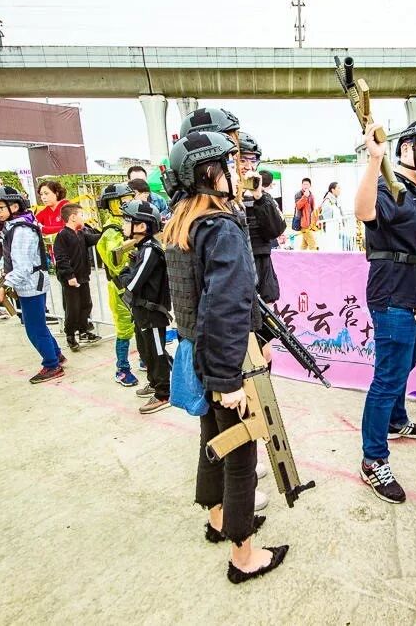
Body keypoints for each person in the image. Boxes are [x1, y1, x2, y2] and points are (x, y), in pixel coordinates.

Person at [162, 131, 288, 583]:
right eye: (229, 164)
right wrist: (228, 379)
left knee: (212, 440)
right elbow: (227, 306)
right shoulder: (219, 227)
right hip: (223, 358)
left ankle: (217, 520)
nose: (238, 172)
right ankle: (243, 555)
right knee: (239, 453)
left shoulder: (182, 220)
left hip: (195, 350)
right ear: (209, 172)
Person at [353, 118, 416, 504]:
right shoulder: (388, 187)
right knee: (388, 378)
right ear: (405, 148)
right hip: (392, 294)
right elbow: (363, 211)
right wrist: (374, 160)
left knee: (405, 365)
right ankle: (373, 460)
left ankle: (396, 420)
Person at [0, 186, 66, 384]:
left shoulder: (21, 230)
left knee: (34, 328)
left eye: (0, 207)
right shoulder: (17, 225)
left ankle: (52, 365)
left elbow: (22, 267)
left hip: (31, 283)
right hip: (29, 282)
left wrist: (4, 286)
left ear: (14, 206)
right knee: (38, 324)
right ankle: (56, 355)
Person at [117, 200, 172, 415]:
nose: (123, 225)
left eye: (127, 221)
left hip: (152, 313)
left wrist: (123, 273)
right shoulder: (141, 249)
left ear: (141, 226)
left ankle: (163, 392)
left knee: (157, 353)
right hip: (142, 311)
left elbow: (131, 283)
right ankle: (155, 383)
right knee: (145, 351)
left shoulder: (150, 250)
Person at [96, 182, 141, 387]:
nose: (127, 204)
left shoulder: (129, 224)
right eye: (122, 201)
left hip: (134, 285)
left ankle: (145, 358)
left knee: (140, 324)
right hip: (120, 287)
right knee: (124, 329)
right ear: (111, 204)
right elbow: (116, 263)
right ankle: (122, 368)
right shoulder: (111, 232)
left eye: (129, 200)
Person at [237, 132, 286, 309]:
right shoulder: (221, 197)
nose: (248, 166)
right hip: (236, 271)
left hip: (261, 267)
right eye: (242, 160)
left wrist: (258, 196)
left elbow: (276, 229)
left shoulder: (262, 197)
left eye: (253, 160)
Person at [53, 203, 103, 353]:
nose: (84, 218)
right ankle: (70, 335)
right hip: (71, 279)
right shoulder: (62, 235)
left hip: (83, 277)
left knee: (86, 304)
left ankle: (83, 330)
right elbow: (61, 257)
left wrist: (107, 231)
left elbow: (94, 239)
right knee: (72, 308)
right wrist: (69, 275)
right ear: (73, 217)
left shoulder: (81, 234)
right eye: (82, 215)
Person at [318, 182, 347, 251]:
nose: (340, 190)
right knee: (331, 246)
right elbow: (326, 217)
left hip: (336, 229)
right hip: (331, 230)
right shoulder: (328, 200)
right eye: (338, 188)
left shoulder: (336, 200)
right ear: (333, 190)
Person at [293, 179, 318, 250]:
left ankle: (300, 256)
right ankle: (315, 256)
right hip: (303, 222)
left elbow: (313, 208)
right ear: (301, 185)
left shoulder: (311, 195)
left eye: (307, 184)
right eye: (304, 184)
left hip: (310, 222)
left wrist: (314, 220)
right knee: (313, 243)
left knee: (304, 244)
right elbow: (298, 206)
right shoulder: (298, 194)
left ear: (310, 186)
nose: (305, 186)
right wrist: (305, 196)